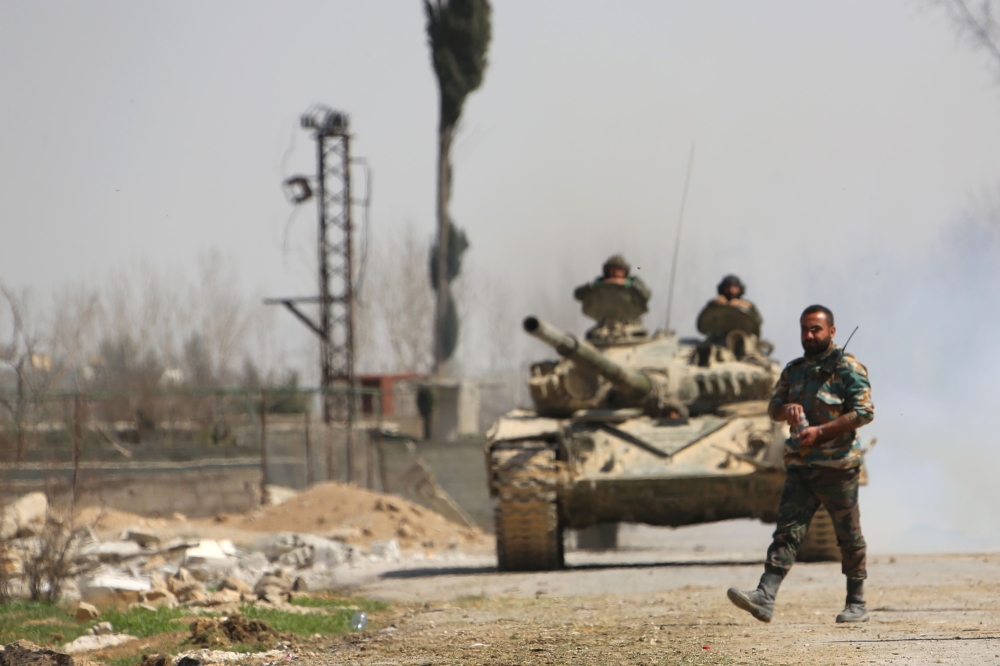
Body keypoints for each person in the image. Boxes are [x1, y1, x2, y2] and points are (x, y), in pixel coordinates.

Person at [727, 304, 874, 624]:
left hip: (837, 467)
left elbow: (863, 413)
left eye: (815, 329)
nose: (809, 335)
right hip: (801, 466)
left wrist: (821, 430)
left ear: (831, 332)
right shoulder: (793, 370)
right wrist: (787, 410)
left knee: (848, 537)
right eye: (804, 329)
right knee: (787, 533)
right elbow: (773, 408)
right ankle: (764, 596)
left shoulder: (848, 368)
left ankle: (856, 601)